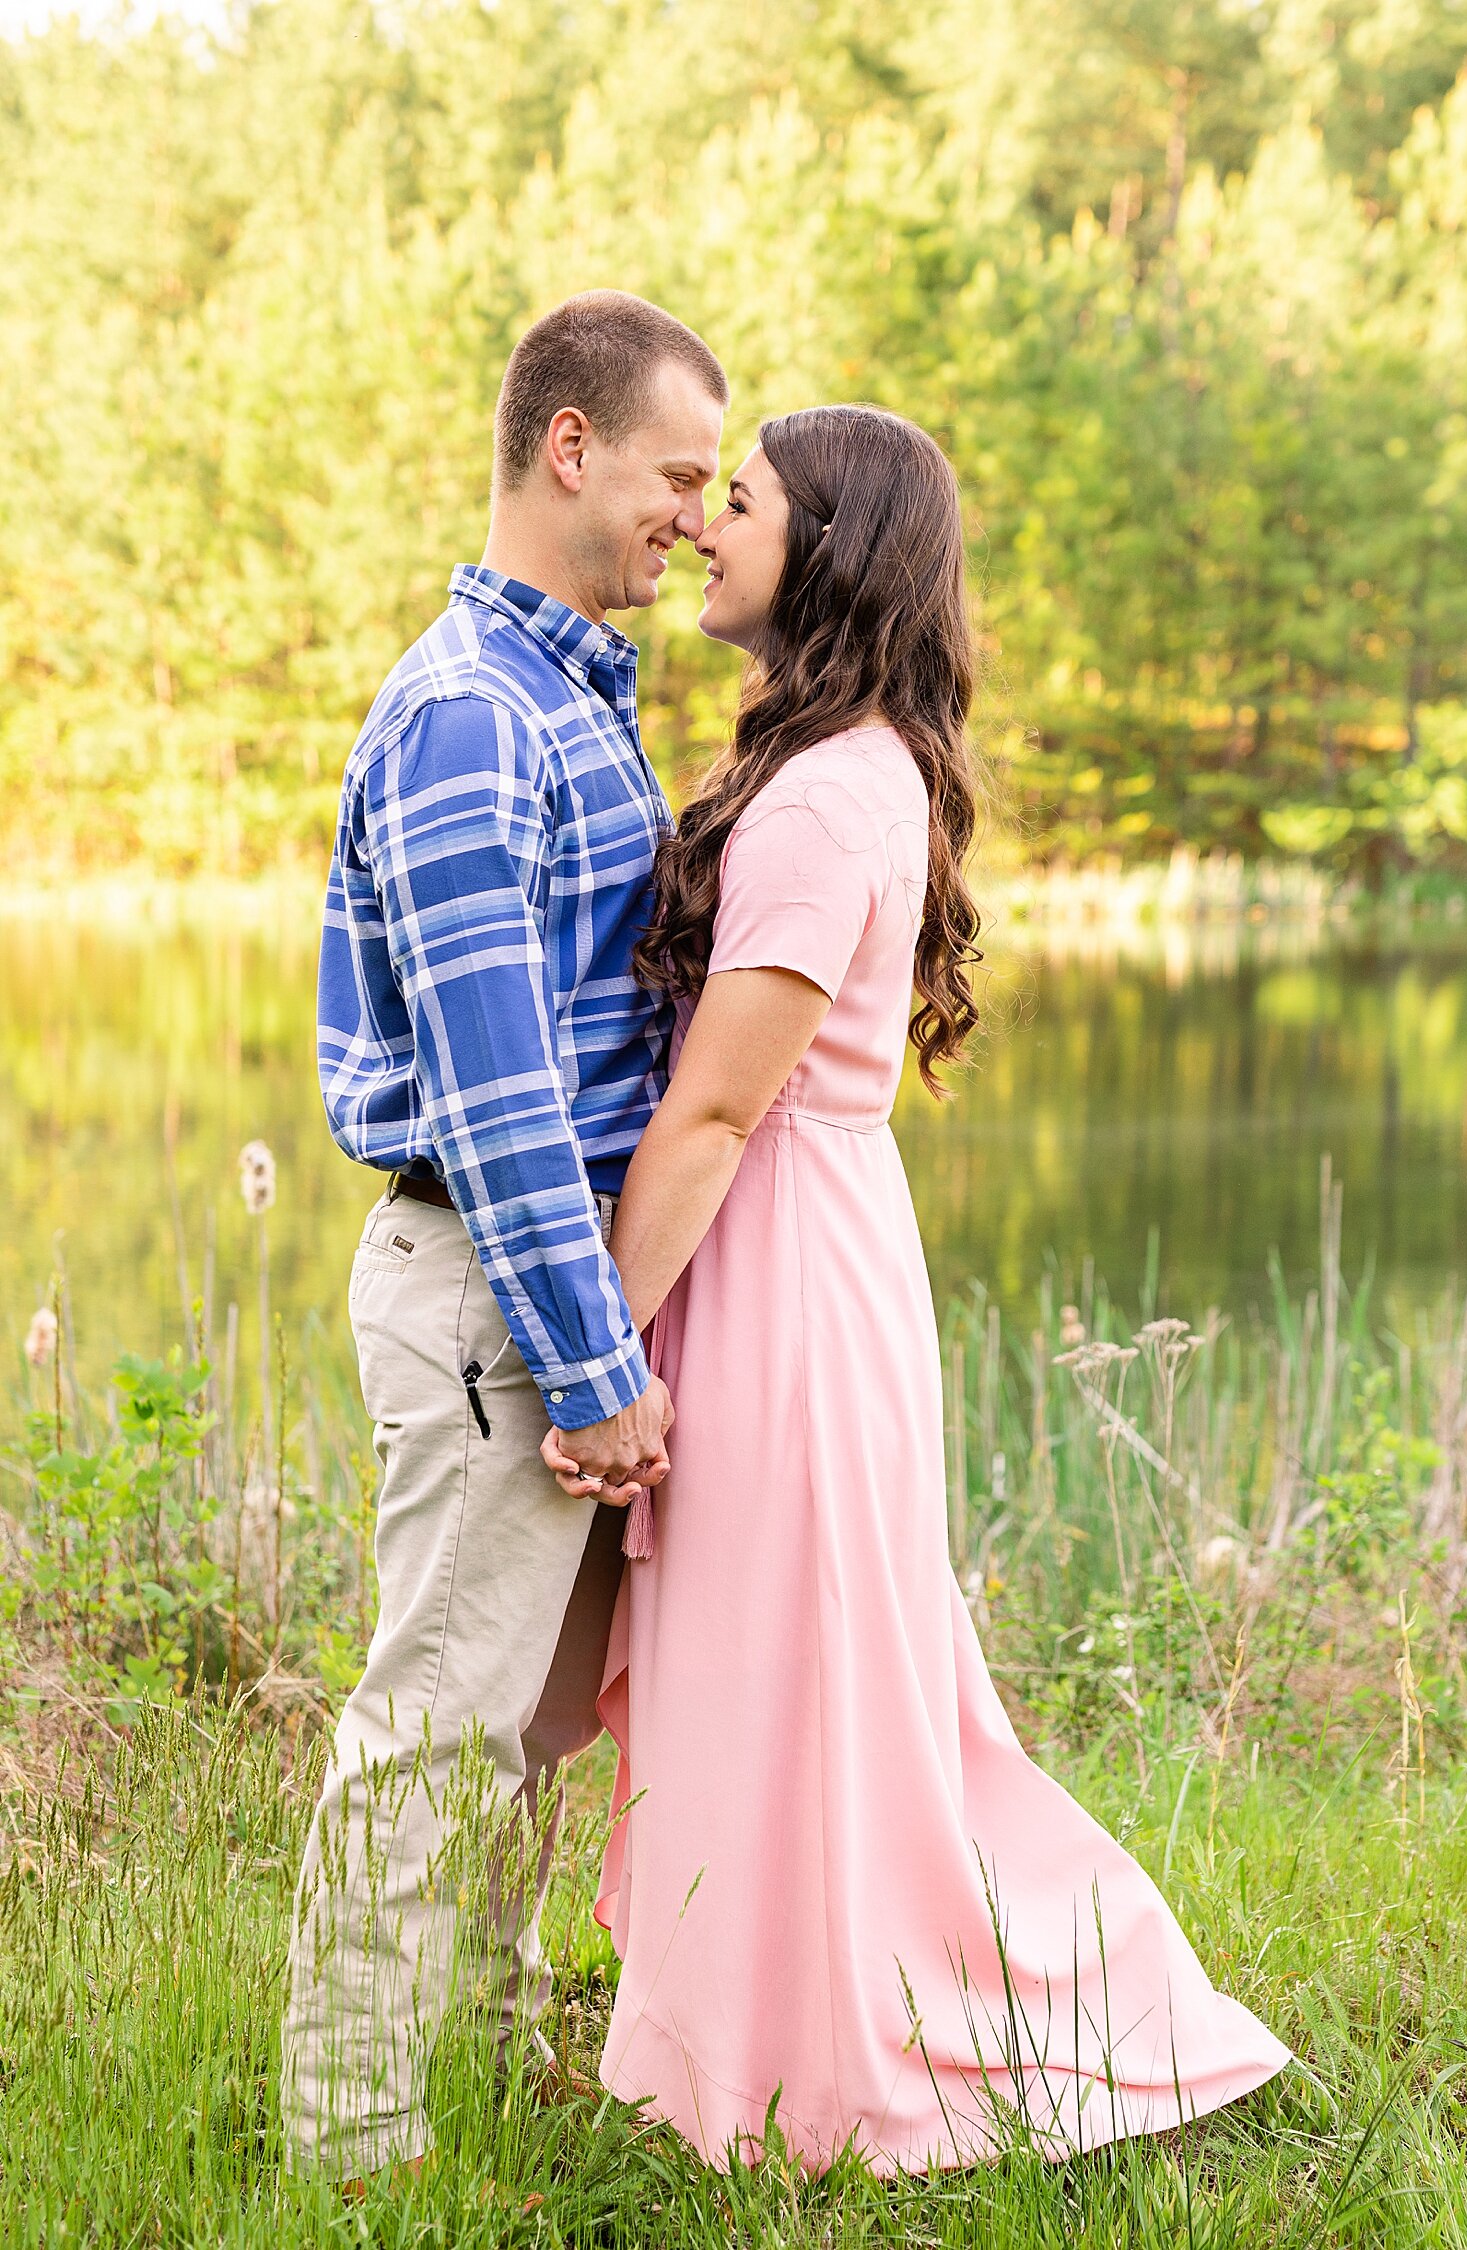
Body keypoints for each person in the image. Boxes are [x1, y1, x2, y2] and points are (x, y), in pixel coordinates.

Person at [543, 404, 1292, 2173]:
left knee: (795, 1669)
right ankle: (744, 2047)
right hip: (818, 1251)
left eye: (749, 502)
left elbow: (721, 1108)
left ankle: (831, 2058)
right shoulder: (850, 763)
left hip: (782, 1277)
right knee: (797, 1672)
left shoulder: (822, 798)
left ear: (835, 551)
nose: (711, 525)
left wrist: (595, 1359)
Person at [281, 290, 727, 2182]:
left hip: (529, 1295)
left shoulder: (567, 698)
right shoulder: (474, 715)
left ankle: (491, 2060)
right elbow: (495, 1101)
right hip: (492, 1293)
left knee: (527, 1730)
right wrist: (596, 1364)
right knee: (437, 1725)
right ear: (569, 447)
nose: (699, 518)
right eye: (676, 475)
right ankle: (352, 2152)